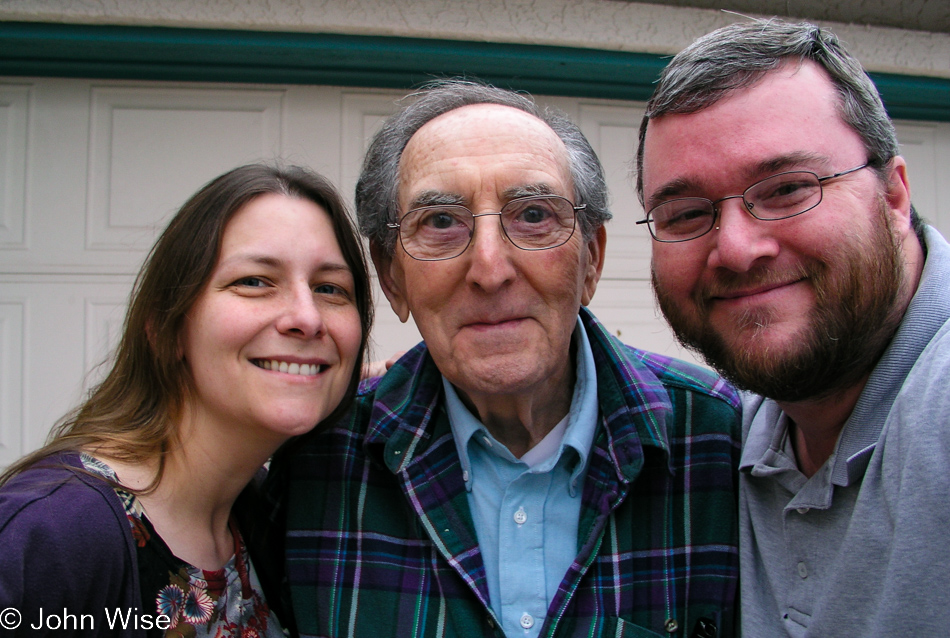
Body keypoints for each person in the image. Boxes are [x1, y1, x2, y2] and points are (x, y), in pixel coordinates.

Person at [275, 79, 742, 638]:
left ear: (590, 259)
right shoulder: (313, 463)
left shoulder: (719, 443)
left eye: (534, 215)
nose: (491, 270)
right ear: (392, 276)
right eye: (441, 223)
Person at [635, 19, 950, 637]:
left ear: (893, 194)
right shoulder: (733, 435)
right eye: (688, 213)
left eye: (786, 189)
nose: (736, 248)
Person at [0, 164, 373, 637]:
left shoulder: (264, 519)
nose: (307, 317)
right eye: (255, 281)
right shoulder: (51, 533)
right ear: (167, 328)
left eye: (329, 289)